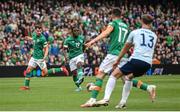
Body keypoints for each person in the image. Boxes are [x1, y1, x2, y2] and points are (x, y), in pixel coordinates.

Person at [98, 14, 157, 109]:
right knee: (128, 78)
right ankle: (123, 102)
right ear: (151, 23)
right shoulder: (154, 36)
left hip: (136, 60)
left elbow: (126, 48)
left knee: (114, 75)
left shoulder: (135, 32)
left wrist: (117, 60)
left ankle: (106, 99)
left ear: (141, 21)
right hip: (147, 64)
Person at [20, 25, 69, 90]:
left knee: (45, 73)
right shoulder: (34, 35)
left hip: (40, 58)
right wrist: (27, 38)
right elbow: (33, 39)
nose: (39, 32)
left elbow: (46, 49)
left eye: (40, 31)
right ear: (35, 31)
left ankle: (62, 69)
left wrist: (45, 57)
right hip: (34, 57)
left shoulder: (43, 39)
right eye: (38, 31)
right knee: (28, 70)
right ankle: (26, 86)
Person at [63, 26, 85, 92]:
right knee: (74, 73)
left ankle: (81, 75)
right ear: (72, 32)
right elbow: (64, 49)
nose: (77, 32)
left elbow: (83, 46)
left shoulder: (81, 38)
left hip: (79, 54)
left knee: (79, 64)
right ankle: (79, 87)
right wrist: (66, 57)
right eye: (75, 30)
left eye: (78, 30)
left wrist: (83, 52)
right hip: (71, 57)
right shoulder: (68, 40)